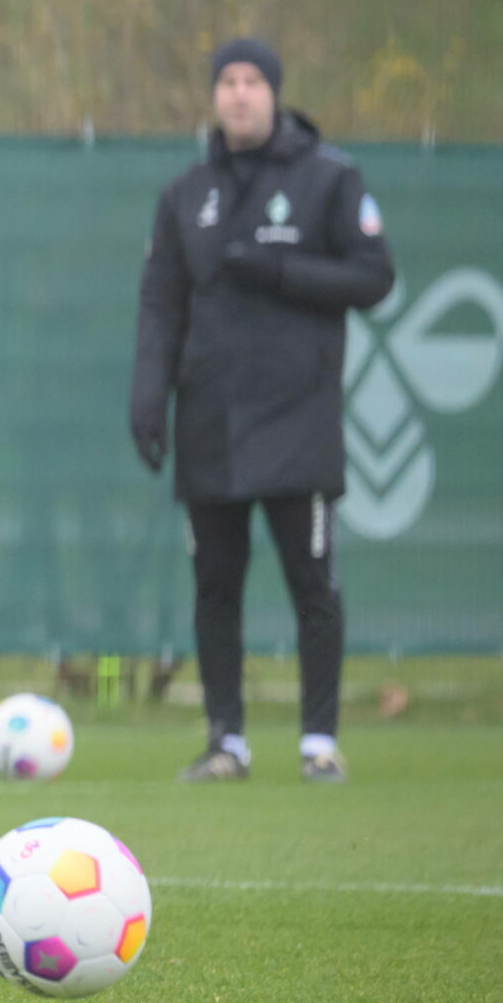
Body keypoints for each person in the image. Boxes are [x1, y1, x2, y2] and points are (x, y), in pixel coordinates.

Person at [130, 38, 394, 786]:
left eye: (251, 81)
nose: (239, 94)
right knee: (216, 588)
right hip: (209, 424)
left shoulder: (330, 179)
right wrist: (149, 398)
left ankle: (319, 742)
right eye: (227, 81)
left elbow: (375, 275)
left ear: (274, 92)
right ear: (214, 96)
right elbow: (160, 306)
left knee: (314, 587)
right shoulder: (186, 194)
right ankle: (227, 743)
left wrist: (278, 268)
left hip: (299, 420)